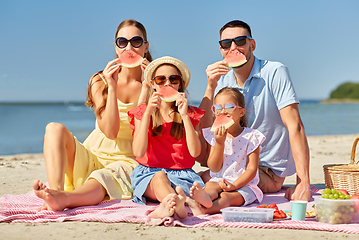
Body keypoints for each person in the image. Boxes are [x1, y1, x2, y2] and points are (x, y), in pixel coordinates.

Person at [32, 19, 152, 211]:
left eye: (136, 42)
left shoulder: (157, 83)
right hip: (93, 153)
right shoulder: (100, 81)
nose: (129, 47)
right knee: (53, 128)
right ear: (116, 47)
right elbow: (110, 131)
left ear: (145, 47)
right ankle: (55, 193)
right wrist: (111, 88)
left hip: (130, 159)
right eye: (122, 42)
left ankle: (66, 199)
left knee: (102, 177)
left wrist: (147, 89)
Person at [198, 20, 310, 201]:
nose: (233, 48)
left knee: (207, 182)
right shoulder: (223, 80)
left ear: (252, 44)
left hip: (266, 170)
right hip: (233, 163)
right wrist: (210, 86)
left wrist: (303, 182)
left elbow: (295, 126)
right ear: (221, 50)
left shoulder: (274, 71)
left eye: (240, 41)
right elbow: (206, 131)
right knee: (196, 179)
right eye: (226, 44)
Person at [128, 56, 205, 219]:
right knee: (159, 177)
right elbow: (138, 151)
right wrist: (148, 112)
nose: (167, 84)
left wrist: (184, 116)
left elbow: (195, 152)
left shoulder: (190, 113)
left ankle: (171, 203)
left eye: (173, 79)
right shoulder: (142, 111)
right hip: (149, 174)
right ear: (152, 83)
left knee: (177, 184)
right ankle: (177, 202)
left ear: (180, 84)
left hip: (182, 176)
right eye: (161, 79)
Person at [187, 87, 265, 215]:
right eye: (218, 108)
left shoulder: (252, 136)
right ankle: (204, 198)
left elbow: (252, 170)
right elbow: (214, 167)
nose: (223, 112)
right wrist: (219, 143)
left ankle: (204, 209)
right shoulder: (215, 135)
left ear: (241, 112)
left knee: (226, 198)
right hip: (219, 179)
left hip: (244, 186)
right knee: (211, 187)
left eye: (229, 107)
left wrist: (234, 186)